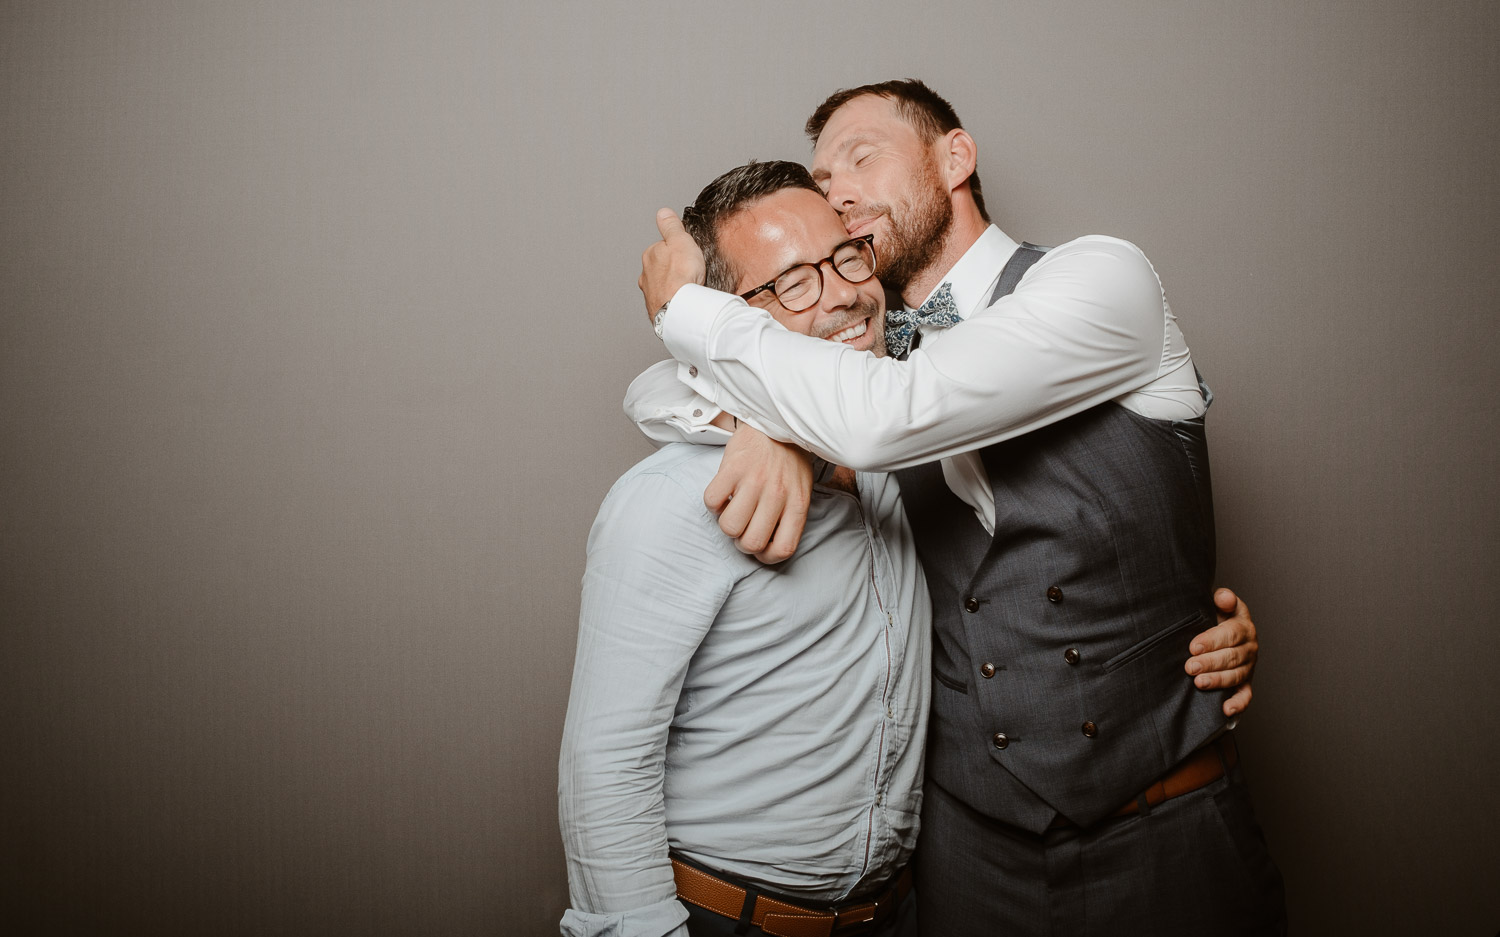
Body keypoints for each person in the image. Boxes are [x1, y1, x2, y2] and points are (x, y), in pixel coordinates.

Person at [634, 80, 1286, 935]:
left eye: (861, 155)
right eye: (823, 179)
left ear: (956, 157)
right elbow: (658, 394)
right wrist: (762, 423)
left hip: (1164, 829)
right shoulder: (852, 352)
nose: (838, 190)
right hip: (968, 858)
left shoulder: (1103, 278)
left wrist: (690, 312)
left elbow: (890, 414)